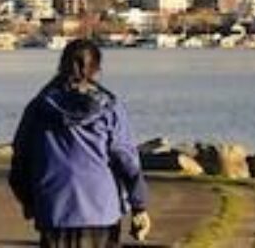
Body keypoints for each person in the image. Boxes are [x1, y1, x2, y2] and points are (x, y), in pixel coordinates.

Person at [10, 38, 152, 247]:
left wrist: (29, 200)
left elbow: (20, 159)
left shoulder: (39, 107)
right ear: (96, 69)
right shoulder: (109, 108)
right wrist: (139, 205)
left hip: (54, 208)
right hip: (101, 208)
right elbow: (127, 160)